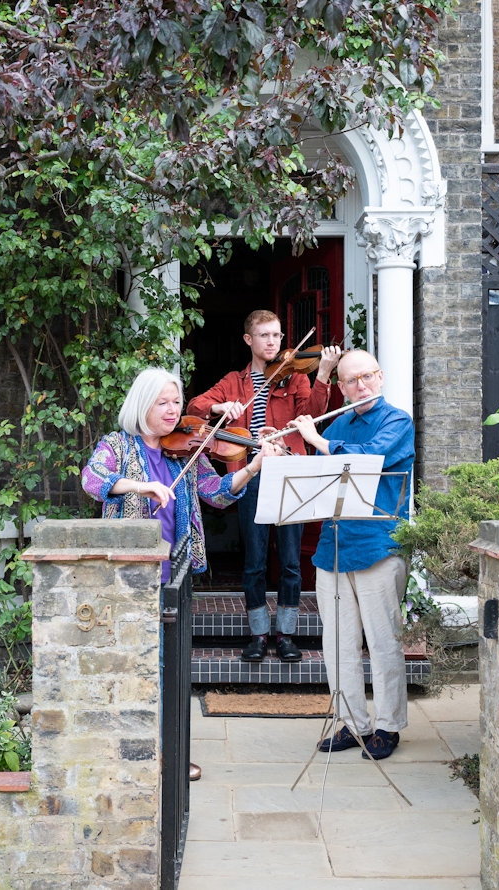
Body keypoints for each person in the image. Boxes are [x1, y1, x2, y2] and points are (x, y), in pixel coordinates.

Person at [83, 367, 284, 784]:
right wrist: (139, 488)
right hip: (131, 575)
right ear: (143, 405)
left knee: (173, 668)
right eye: (163, 402)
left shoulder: (187, 452)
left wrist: (254, 466)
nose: (173, 410)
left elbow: (216, 492)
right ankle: (138, 753)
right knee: (140, 665)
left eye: (177, 401)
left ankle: (169, 754)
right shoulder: (117, 446)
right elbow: (92, 479)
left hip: (176, 573)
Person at [188, 310, 341, 663]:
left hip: (289, 471)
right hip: (250, 475)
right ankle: (258, 634)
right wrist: (220, 405)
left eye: (277, 336)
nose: (272, 342)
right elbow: (196, 405)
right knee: (254, 561)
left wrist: (322, 374)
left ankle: (286, 634)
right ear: (249, 340)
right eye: (264, 336)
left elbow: (314, 415)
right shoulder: (234, 381)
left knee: (289, 561)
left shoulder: (296, 378)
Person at [286, 349, 414, 761]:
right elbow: (313, 470)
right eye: (352, 381)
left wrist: (320, 441)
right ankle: (352, 722)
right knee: (337, 644)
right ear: (341, 387)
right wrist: (292, 450)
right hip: (334, 547)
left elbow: (372, 458)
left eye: (368, 377)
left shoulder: (398, 420)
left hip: (379, 544)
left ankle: (388, 726)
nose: (361, 386)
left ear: (380, 376)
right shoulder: (341, 420)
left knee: (382, 642)